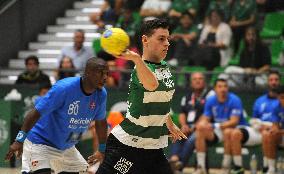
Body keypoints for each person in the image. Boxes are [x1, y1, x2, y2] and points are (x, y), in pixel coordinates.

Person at [94, 18, 187, 174]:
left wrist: (169, 124)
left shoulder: (164, 67)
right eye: (161, 39)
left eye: (168, 39)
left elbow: (161, 99)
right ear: (145, 40)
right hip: (128, 145)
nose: (167, 43)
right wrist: (136, 58)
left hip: (152, 146)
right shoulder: (139, 70)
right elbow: (152, 85)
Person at [5, 58, 109, 174]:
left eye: (106, 73)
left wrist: (102, 150)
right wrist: (19, 140)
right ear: (88, 72)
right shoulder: (64, 88)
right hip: (40, 142)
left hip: (66, 148)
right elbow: (35, 113)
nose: (105, 77)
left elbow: (101, 122)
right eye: (100, 72)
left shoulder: (101, 94)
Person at [227, 70, 281, 174]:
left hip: (276, 132)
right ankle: (238, 167)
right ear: (267, 82)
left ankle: (267, 168)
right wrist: (256, 124)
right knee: (235, 133)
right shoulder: (259, 101)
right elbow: (254, 119)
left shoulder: (282, 100)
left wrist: (269, 126)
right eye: (271, 80)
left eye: (276, 80)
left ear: (280, 81)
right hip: (259, 131)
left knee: (267, 134)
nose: (273, 82)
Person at [194, 79, 247, 174]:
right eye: (220, 86)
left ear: (228, 88)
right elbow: (206, 117)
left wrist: (213, 125)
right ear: (215, 89)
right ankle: (201, 167)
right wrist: (203, 123)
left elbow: (234, 122)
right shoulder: (211, 100)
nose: (223, 89)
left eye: (225, 86)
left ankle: (228, 167)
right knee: (200, 130)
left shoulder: (235, 99)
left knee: (228, 131)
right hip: (219, 131)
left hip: (236, 130)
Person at [169, 72, 214, 171]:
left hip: (204, 128)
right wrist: (184, 125)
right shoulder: (187, 97)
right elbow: (182, 113)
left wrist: (194, 127)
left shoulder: (210, 95)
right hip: (188, 126)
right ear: (191, 83)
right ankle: (174, 159)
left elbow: (208, 114)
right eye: (195, 79)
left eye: (200, 78)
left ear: (205, 82)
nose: (197, 81)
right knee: (179, 134)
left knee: (193, 138)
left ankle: (179, 165)